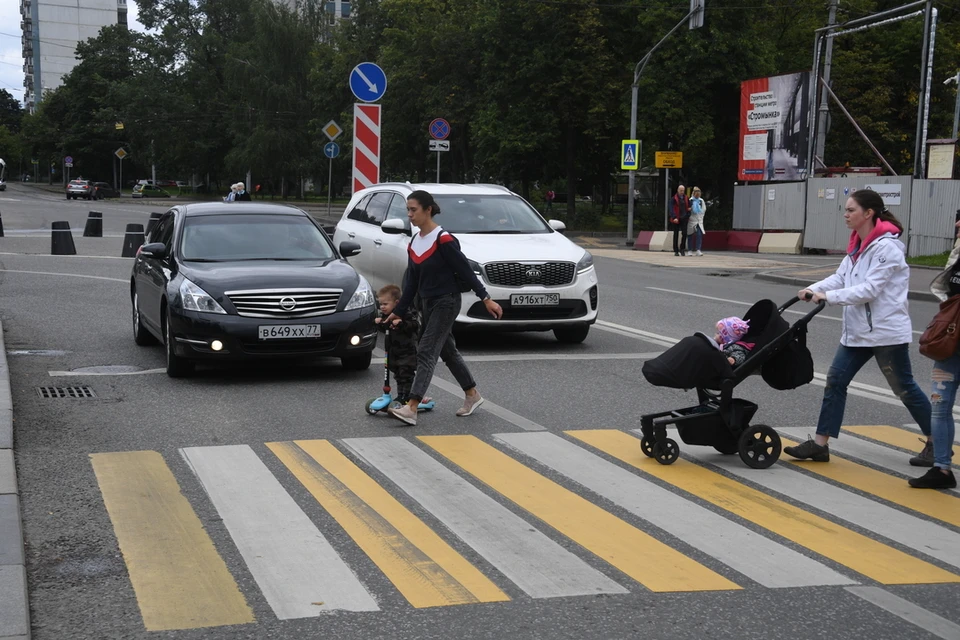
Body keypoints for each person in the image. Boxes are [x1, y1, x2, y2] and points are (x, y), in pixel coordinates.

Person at [785, 189, 931, 463]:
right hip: (857, 334)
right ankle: (820, 444)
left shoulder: (887, 249)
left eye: (851, 210)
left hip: (886, 334)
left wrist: (827, 297)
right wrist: (810, 289)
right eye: (846, 209)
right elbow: (840, 278)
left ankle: (937, 441)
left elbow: (870, 290)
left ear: (869, 213)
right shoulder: (857, 247)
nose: (846, 214)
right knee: (835, 382)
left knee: (905, 388)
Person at [385, 190, 503, 427]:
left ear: (428, 210)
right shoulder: (415, 243)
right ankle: (472, 394)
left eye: (413, 210)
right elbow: (412, 283)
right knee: (447, 351)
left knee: (427, 350)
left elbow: (466, 271)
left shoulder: (444, 239)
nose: (409, 214)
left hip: (447, 301)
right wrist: (398, 311)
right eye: (407, 210)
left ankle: (412, 406)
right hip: (427, 303)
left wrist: (485, 298)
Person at [909, 221, 960, 489]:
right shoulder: (958, 255)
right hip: (950, 346)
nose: (957, 224)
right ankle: (942, 469)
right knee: (940, 408)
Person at [375, 284, 422, 406]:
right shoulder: (386, 316)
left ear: (396, 303)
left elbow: (415, 326)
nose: (382, 307)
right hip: (393, 351)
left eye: (385, 304)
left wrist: (402, 324)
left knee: (405, 375)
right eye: (381, 305)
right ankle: (401, 395)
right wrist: (380, 323)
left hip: (406, 352)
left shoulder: (405, 314)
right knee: (398, 375)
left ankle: (406, 397)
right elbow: (385, 330)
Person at [670, 185, 691, 256]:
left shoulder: (686, 198)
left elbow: (689, 207)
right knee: (675, 234)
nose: (682, 192)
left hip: (684, 218)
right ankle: (676, 250)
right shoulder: (674, 199)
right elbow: (671, 208)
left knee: (684, 233)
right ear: (678, 190)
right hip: (676, 218)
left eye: (683, 190)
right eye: (681, 190)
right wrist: (674, 217)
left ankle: (682, 249)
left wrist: (688, 214)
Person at [687, 187, 706, 257]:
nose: (698, 196)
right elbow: (687, 209)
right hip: (691, 220)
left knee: (699, 234)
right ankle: (689, 250)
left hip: (699, 220)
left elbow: (703, 210)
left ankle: (698, 249)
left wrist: (701, 218)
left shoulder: (701, 201)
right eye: (696, 194)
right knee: (690, 235)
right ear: (694, 194)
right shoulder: (690, 200)